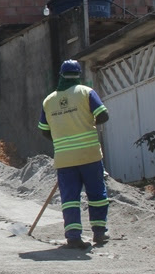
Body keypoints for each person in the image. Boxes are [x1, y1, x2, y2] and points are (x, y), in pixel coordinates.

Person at [38, 59, 110, 249]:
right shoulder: (86, 92)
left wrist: (61, 138)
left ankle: (73, 236)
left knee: (70, 198)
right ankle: (99, 232)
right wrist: (87, 122)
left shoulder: (48, 101)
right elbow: (103, 115)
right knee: (97, 193)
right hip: (89, 155)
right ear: (78, 75)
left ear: (61, 75)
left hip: (64, 159)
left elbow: (44, 130)